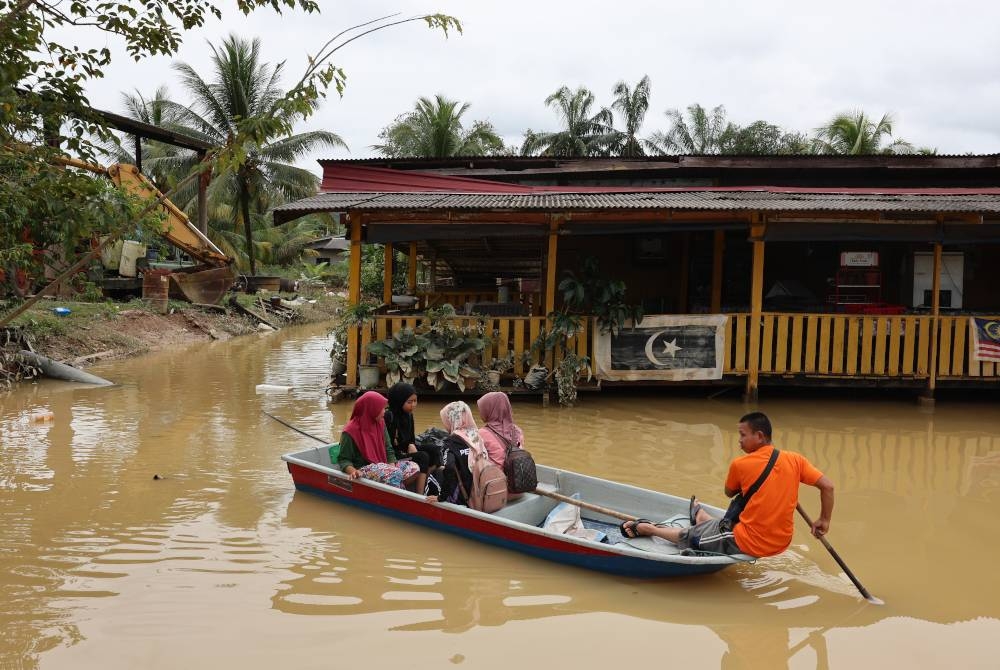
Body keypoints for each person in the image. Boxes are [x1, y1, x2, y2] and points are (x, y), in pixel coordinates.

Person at [620, 411, 835, 558]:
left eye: (742, 435)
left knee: (689, 536)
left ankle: (648, 528)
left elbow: (729, 492)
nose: (739, 441)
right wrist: (823, 520)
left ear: (759, 436)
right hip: (782, 540)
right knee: (725, 524)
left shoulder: (741, 464)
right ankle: (702, 517)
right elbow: (828, 486)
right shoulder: (795, 459)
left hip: (752, 541)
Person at [337, 391, 428, 495]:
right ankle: (401, 496)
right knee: (395, 473)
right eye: (382, 409)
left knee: (414, 468)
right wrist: (354, 471)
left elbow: (388, 449)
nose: (384, 412)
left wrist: (392, 466)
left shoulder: (380, 423)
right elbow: (343, 460)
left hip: (382, 464)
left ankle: (394, 489)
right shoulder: (350, 431)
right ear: (371, 409)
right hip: (363, 468)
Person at [438, 401, 488, 505]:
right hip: (482, 490)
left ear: (451, 419)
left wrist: (441, 497)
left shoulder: (450, 442)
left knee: (435, 474)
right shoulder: (476, 436)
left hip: (462, 497)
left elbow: (450, 468)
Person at [384, 382, 438, 476]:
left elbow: (411, 438)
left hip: (406, 450)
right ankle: (420, 489)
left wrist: (411, 444)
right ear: (399, 401)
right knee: (423, 456)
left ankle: (427, 476)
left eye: (415, 401)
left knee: (434, 449)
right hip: (396, 455)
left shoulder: (409, 415)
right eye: (409, 402)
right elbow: (387, 445)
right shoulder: (389, 416)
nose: (413, 405)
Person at [477, 391, 524, 468]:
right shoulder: (517, 430)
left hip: (496, 478)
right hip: (516, 476)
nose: (480, 413)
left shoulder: (481, 433)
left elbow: (474, 464)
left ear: (489, 410)